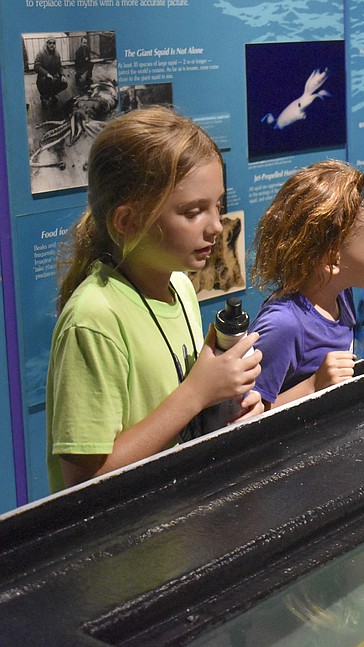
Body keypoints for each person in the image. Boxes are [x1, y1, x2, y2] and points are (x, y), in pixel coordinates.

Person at [47, 106, 263, 492]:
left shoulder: (180, 286)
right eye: (193, 211)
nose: (216, 225)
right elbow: (82, 482)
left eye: (217, 205)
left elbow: (175, 417)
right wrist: (195, 395)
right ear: (127, 221)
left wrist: (223, 408)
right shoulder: (94, 318)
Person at [249, 161, 364, 408]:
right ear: (331, 259)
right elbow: (244, 420)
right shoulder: (284, 325)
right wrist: (312, 386)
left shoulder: (350, 294)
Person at [34, 37, 68, 109]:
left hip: (54, 77)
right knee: (48, 81)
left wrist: (62, 75)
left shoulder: (57, 54)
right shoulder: (41, 54)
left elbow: (59, 67)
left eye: (54, 43)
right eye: (50, 43)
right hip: (43, 78)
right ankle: (44, 97)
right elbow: (36, 66)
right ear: (46, 44)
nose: (52, 45)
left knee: (64, 83)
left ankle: (52, 95)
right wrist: (47, 74)